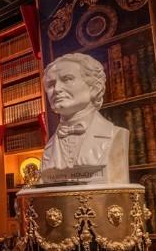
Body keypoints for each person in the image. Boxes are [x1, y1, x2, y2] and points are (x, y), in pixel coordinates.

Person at [41, 53, 129, 184]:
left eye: (67, 79)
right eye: (51, 84)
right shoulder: (49, 148)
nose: (57, 89)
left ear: (94, 87)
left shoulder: (114, 135)